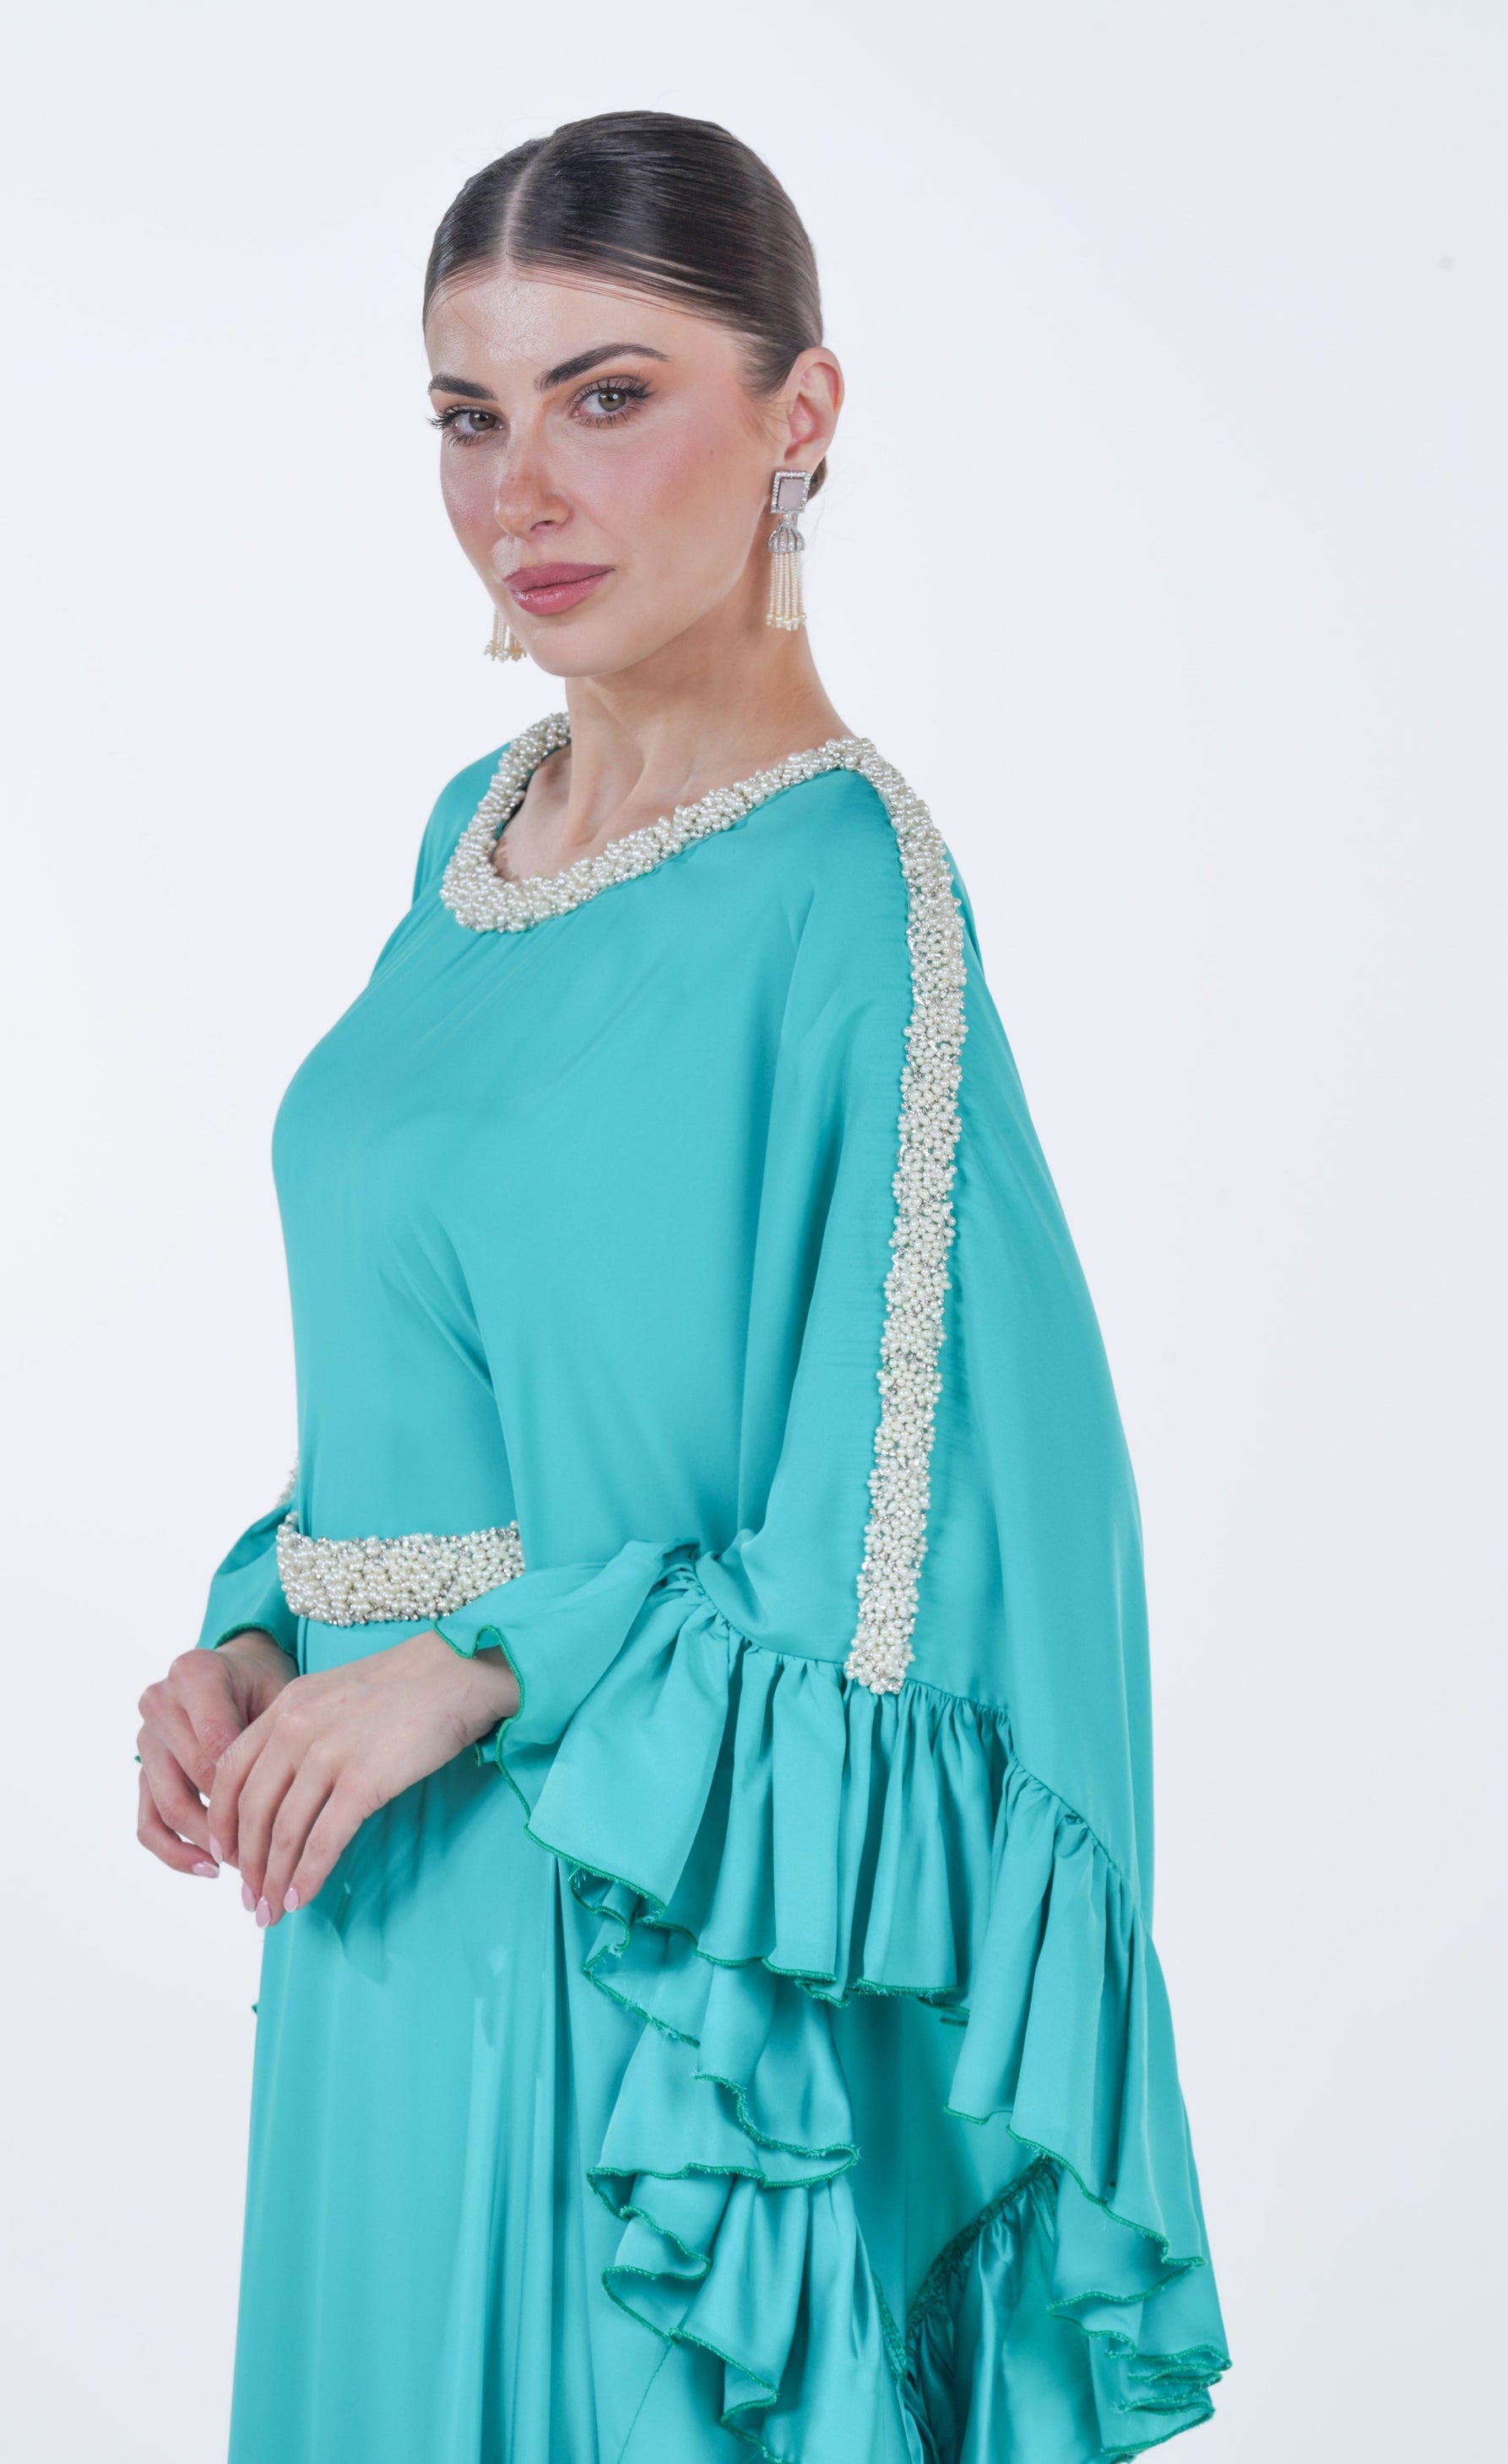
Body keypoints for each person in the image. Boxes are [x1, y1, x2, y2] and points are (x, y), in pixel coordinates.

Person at [135, 108, 1229, 2464]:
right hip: (361, 1936)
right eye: (468, 414)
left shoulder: (851, 904)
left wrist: (476, 1669)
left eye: (606, 396)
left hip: (619, 1963)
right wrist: (256, 1636)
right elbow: (446, 1376)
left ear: (799, 414)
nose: (519, 489)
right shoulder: (467, 840)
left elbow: (900, 1567)